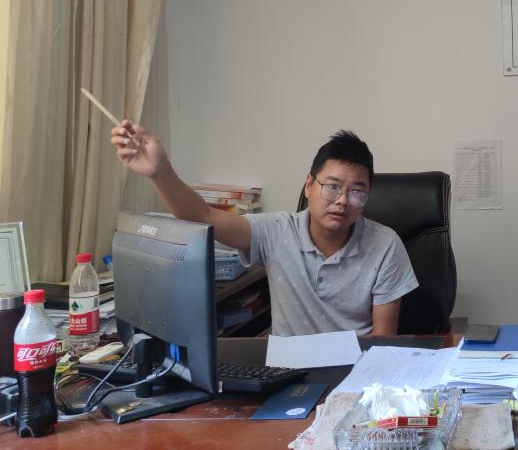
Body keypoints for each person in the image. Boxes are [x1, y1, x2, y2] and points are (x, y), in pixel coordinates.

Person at [111, 122, 418, 337]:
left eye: (356, 192)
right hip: (289, 375)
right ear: (309, 185)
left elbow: (382, 340)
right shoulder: (276, 232)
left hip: (355, 373)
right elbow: (201, 215)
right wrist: (160, 172)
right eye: (332, 186)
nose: (342, 201)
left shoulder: (385, 245)